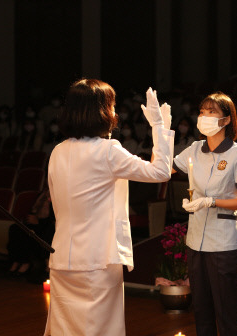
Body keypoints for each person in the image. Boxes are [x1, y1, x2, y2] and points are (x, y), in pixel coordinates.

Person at [44, 79, 174, 336]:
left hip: (62, 258)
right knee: (101, 330)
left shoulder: (57, 151)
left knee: (64, 330)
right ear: (101, 111)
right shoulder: (108, 150)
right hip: (98, 259)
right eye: (112, 106)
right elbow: (161, 171)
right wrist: (159, 127)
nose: (116, 113)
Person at [172, 92, 237, 336]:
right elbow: (163, 170)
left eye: (212, 112)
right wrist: (160, 131)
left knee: (227, 314)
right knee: (201, 311)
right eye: (202, 112)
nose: (204, 117)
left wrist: (210, 201)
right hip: (196, 242)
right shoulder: (194, 149)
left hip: (224, 245)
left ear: (227, 120)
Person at [7, 187, 55, 281]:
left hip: (47, 224)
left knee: (46, 231)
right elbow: (33, 210)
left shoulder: (58, 195)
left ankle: (26, 263)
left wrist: (38, 222)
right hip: (36, 222)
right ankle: (17, 261)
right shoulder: (42, 194)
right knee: (15, 228)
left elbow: (54, 218)